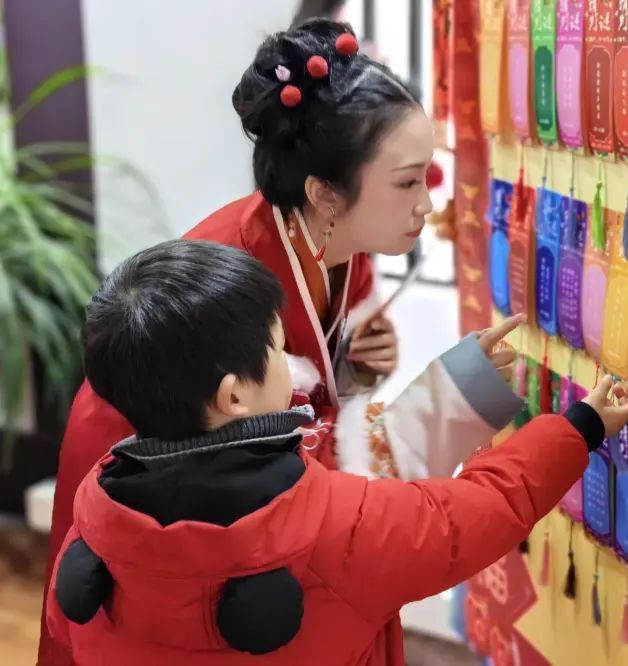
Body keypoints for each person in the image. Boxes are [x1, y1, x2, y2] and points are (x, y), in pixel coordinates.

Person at [40, 19, 475, 664]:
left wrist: (354, 366)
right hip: (153, 463)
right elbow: (229, 427)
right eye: (408, 181)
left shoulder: (341, 240)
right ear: (326, 193)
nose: (426, 204)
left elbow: (304, 389)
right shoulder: (236, 270)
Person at [45, 240, 628, 665]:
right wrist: (579, 428)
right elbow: (473, 514)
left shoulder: (93, 527)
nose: (289, 362)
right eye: (277, 349)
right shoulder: (337, 526)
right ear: (233, 396)